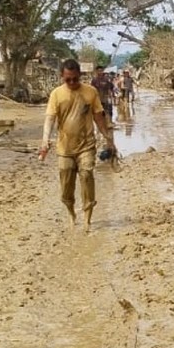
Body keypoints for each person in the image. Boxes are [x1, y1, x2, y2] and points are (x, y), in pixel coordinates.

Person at [40, 59, 116, 231]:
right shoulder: (56, 94)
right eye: (68, 80)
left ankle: (87, 219)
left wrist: (107, 137)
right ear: (62, 77)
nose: (72, 83)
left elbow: (98, 116)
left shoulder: (90, 92)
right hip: (65, 148)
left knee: (87, 174)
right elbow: (50, 118)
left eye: (75, 79)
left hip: (86, 145)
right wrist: (45, 139)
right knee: (66, 182)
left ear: (80, 75)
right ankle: (71, 212)